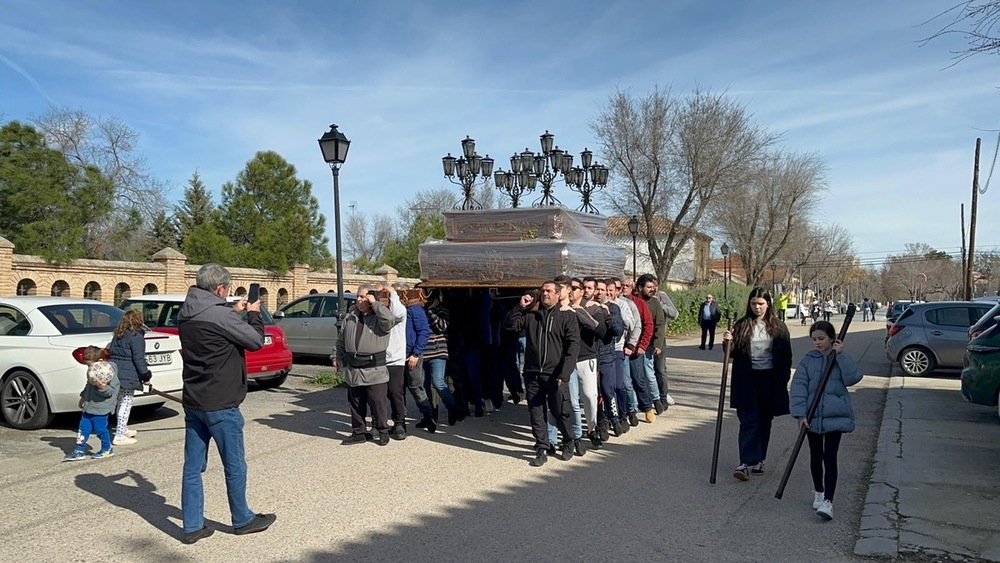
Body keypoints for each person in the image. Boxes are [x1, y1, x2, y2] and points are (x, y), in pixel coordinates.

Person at [177, 263, 274, 544]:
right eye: (227, 290)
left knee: (193, 467)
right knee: (234, 464)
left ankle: (192, 525)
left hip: (194, 399)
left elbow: (212, 323)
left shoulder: (187, 312)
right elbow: (255, 341)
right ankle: (242, 518)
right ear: (220, 288)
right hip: (221, 402)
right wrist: (253, 314)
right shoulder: (220, 315)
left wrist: (233, 310)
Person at [790, 321, 863, 520]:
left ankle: (828, 501)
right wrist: (800, 414)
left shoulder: (838, 357)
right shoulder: (808, 360)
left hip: (834, 416)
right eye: (814, 339)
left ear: (831, 338)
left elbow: (853, 378)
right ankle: (819, 491)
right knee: (815, 455)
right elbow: (799, 388)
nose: (817, 343)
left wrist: (841, 355)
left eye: (821, 339)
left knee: (830, 457)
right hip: (812, 416)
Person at [503, 280, 580, 467]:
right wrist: (520, 307)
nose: (545, 294)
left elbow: (573, 346)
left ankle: (569, 440)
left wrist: (565, 373)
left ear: (557, 294)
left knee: (560, 411)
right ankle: (542, 447)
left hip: (555, 375)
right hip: (533, 373)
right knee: (536, 412)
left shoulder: (566, 316)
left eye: (548, 291)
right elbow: (509, 326)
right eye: (542, 291)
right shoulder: (532, 316)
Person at [722, 288, 792, 481]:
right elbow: (732, 352)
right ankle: (745, 462)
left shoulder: (779, 327)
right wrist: (728, 342)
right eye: (754, 303)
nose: (757, 307)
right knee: (748, 420)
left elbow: (786, 356)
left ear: (768, 304)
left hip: (769, 379)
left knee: (764, 420)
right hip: (747, 379)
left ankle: (759, 459)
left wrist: (782, 380)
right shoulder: (742, 324)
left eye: (761, 303)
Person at [335, 284, 400, 447]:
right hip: (354, 368)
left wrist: (376, 304)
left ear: (371, 298)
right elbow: (341, 339)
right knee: (356, 403)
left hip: (374, 369)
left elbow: (390, 319)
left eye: (363, 296)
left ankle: (382, 431)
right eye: (358, 296)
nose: (358, 299)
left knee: (378, 403)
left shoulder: (380, 318)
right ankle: (359, 432)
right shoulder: (351, 317)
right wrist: (336, 356)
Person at [64, 346, 120, 461]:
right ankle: (79, 450)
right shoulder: (93, 371)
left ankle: (107, 449)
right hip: (89, 405)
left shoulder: (109, 372)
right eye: (88, 366)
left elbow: (111, 392)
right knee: (83, 428)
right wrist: (83, 397)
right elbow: (88, 385)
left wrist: (102, 388)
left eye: (90, 365)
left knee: (100, 429)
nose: (89, 368)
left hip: (102, 407)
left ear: (100, 361)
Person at [108, 309, 152, 446]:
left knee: (120, 401)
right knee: (126, 403)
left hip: (116, 372)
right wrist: (146, 376)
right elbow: (139, 360)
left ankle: (123, 428)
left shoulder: (118, 335)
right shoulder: (136, 337)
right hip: (129, 374)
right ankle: (120, 435)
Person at [399, 284, 436, 434]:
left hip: (412, 354)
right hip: (398, 355)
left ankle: (428, 417)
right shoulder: (398, 311)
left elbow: (423, 332)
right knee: (398, 389)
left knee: (415, 387)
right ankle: (400, 420)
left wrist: (416, 354)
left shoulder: (415, 310)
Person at [423, 291, 460, 426]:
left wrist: (431, 311)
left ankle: (452, 408)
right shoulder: (420, 310)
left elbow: (441, 327)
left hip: (438, 352)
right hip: (423, 352)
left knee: (438, 382)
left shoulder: (442, 310)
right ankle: (429, 415)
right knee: (424, 385)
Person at [636, 274, 664, 419]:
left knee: (648, 373)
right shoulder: (633, 301)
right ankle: (638, 403)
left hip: (649, 344)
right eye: (649, 287)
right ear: (640, 288)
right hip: (634, 343)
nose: (652, 289)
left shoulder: (654, 303)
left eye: (653, 287)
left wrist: (658, 344)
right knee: (636, 375)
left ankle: (656, 399)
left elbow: (660, 324)